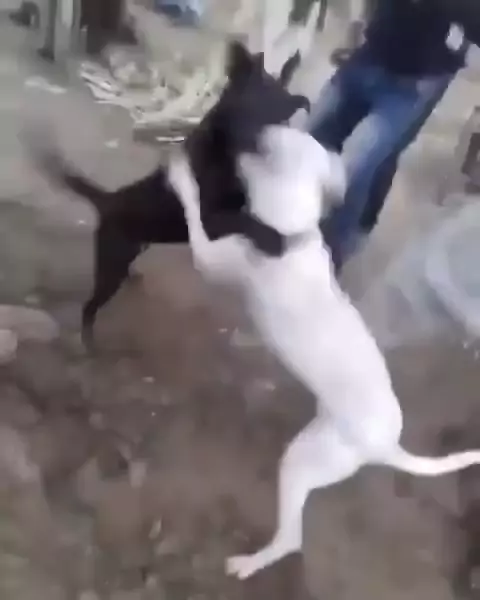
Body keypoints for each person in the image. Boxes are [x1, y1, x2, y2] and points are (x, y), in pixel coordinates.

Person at [308, 0, 471, 271]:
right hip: (372, 53)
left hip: (415, 79)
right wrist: (358, 25)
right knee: (315, 138)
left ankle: (335, 249)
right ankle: (322, 229)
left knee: (358, 162)